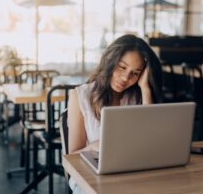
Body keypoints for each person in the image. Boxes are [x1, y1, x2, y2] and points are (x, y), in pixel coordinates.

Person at [67, 34, 162, 193]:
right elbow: (72, 157)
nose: (126, 78)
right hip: (91, 179)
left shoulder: (136, 96)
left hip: (131, 173)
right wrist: (94, 147)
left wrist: (145, 88)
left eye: (135, 73)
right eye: (122, 67)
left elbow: (151, 141)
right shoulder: (80, 96)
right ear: (110, 61)